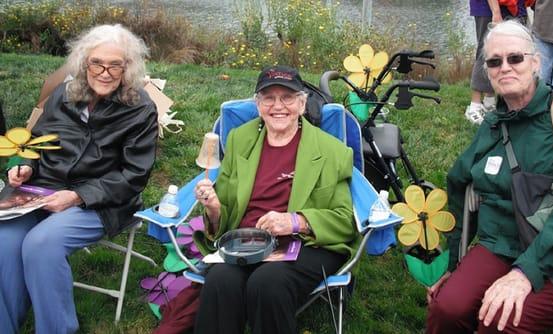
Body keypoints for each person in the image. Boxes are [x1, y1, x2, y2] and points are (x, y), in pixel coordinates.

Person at [427, 21, 553, 333]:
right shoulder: (492, 126)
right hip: (502, 245)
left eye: (515, 58)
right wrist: (453, 265)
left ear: (535, 62)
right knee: (446, 308)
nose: (504, 67)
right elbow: (457, 184)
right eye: (494, 61)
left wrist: (524, 273)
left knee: (498, 322)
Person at [0, 24, 158, 333]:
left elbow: (134, 176)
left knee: (41, 244)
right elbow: (34, 143)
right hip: (44, 191)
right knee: (3, 240)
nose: (105, 72)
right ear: (84, 62)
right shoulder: (64, 93)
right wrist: (24, 166)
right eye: (97, 62)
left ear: (128, 68)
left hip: (101, 202)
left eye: (116, 65)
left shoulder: (141, 109)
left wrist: (78, 196)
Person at [192, 65, 359, 334]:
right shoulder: (239, 139)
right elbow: (222, 214)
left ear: (302, 104)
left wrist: (296, 221)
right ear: (258, 105)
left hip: (305, 244)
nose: (278, 106)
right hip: (247, 240)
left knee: (267, 284)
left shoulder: (331, 151)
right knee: (220, 280)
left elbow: (344, 221)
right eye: (269, 98)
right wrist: (213, 208)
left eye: (288, 97)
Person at [466, 0, 528, 125]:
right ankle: (475, 104)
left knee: (507, 52)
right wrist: (496, 11)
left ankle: (489, 101)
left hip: (514, 6)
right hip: (489, 8)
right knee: (486, 51)